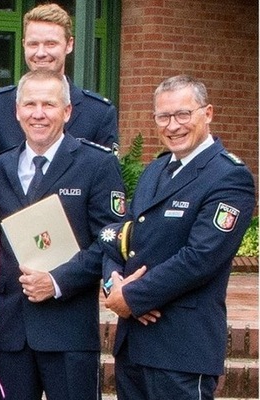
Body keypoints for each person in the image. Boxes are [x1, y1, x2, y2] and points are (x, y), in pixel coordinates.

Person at [103, 75, 255, 399]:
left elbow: (201, 257)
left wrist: (134, 297)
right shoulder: (154, 171)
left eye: (183, 114)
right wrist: (113, 287)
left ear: (207, 113)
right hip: (134, 345)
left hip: (182, 350)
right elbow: (121, 238)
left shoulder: (229, 177)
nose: (173, 126)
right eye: (163, 117)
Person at [0, 70, 125, 399]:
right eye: (30, 104)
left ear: (67, 111)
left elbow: (110, 241)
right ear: (17, 111)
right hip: (11, 332)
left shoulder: (96, 164)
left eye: (49, 104)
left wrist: (57, 281)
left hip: (68, 329)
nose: (38, 113)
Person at [0, 3, 118, 208]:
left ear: (69, 45)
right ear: (23, 45)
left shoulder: (98, 113)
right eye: (33, 44)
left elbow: (106, 189)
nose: (41, 53)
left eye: (51, 44)